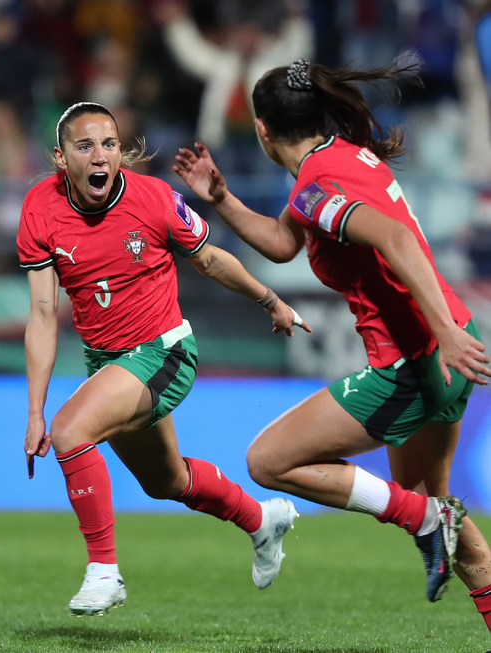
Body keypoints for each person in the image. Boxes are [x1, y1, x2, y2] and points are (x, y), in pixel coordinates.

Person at [173, 59, 491, 633]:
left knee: (268, 461)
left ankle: (424, 518)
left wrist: (439, 331)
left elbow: (392, 236)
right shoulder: (341, 160)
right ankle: (433, 524)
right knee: (442, 514)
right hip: (449, 345)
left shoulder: (318, 188)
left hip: (417, 360)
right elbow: (281, 241)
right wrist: (219, 197)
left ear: (262, 130)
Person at [20, 101, 308, 617]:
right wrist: (33, 409)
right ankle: (261, 521)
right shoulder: (39, 208)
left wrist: (270, 299)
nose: (99, 156)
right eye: (84, 146)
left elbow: (210, 260)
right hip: (107, 363)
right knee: (166, 482)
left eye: (108, 144)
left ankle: (104, 571)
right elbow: (43, 315)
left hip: (164, 351)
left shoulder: (153, 198)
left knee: (69, 431)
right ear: (61, 157)